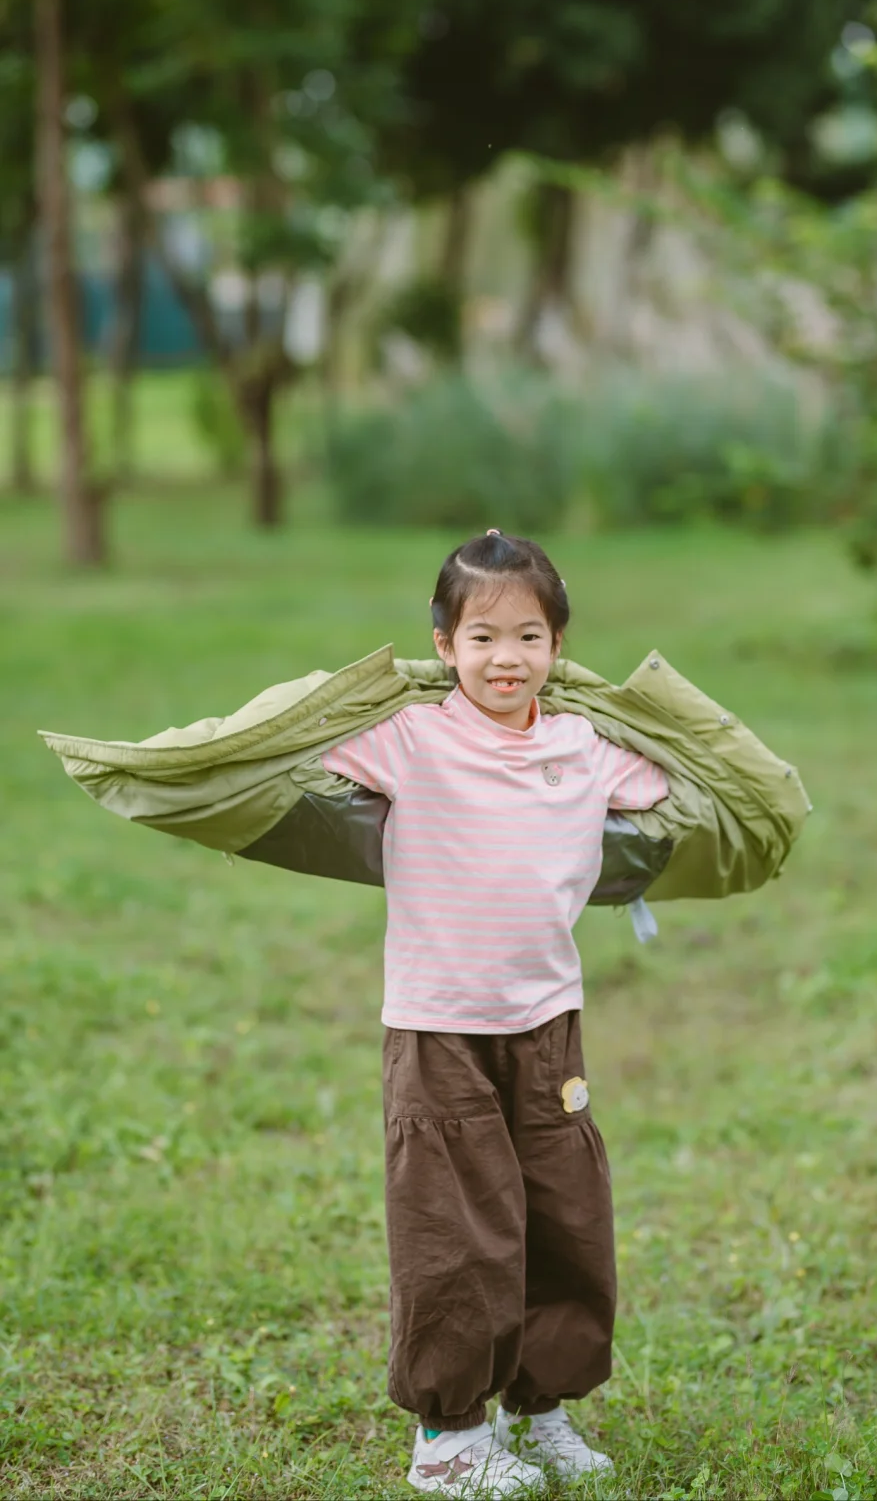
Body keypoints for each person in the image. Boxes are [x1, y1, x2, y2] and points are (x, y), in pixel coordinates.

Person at [322, 530, 670, 1497]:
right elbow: (310, 752)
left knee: (563, 1215)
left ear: (559, 648)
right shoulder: (413, 737)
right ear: (443, 646)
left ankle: (541, 1404)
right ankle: (448, 1437)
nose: (504, 659)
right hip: (438, 1023)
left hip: (547, 1018)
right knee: (454, 1223)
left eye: (528, 636)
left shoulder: (581, 746)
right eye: (481, 638)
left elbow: (674, 786)